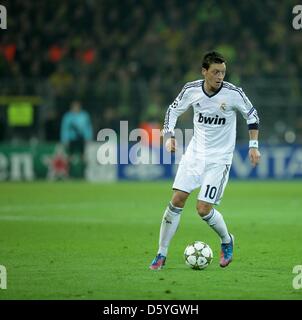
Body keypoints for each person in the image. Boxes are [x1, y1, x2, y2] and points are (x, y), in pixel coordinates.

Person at [149, 51, 261, 270]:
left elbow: (252, 115)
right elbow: (172, 111)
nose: (220, 77)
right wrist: (169, 137)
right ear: (204, 72)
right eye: (215, 72)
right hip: (194, 155)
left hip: (219, 160)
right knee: (177, 199)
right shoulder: (191, 90)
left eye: (223, 72)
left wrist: (254, 146)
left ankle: (227, 240)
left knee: (203, 209)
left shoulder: (233, 93)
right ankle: (161, 254)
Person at [60, 100, 93, 176]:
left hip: (82, 139)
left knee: (83, 156)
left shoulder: (84, 115)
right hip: (71, 139)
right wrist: (64, 139)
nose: (76, 108)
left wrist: (88, 137)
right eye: (74, 107)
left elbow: (88, 127)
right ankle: (68, 173)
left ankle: (84, 173)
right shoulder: (67, 116)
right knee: (69, 157)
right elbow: (64, 128)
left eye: (77, 107)